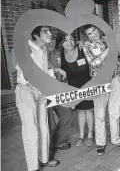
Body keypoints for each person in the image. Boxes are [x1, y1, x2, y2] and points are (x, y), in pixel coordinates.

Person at [10, 26, 64, 171]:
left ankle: (44, 159)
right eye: (45, 31)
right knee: (31, 130)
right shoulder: (23, 48)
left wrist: (56, 70)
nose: (50, 34)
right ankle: (33, 167)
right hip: (26, 90)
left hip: (41, 91)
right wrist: (18, 52)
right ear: (35, 34)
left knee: (44, 126)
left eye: (49, 31)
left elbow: (44, 69)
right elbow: (11, 68)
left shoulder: (44, 49)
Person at [82, 24, 120, 155]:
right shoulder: (87, 46)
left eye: (94, 30)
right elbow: (94, 63)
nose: (94, 34)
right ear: (87, 36)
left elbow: (117, 58)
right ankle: (101, 143)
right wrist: (108, 50)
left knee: (115, 111)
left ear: (98, 28)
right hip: (100, 82)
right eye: (90, 33)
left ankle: (116, 140)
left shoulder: (107, 39)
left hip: (115, 78)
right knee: (100, 114)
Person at [54, 31, 95, 147]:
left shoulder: (82, 49)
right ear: (61, 43)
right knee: (80, 111)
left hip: (88, 85)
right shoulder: (60, 55)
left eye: (71, 39)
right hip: (74, 88)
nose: (69, 42)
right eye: (65, 40)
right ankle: (81, 135)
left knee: (89, 110)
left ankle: (90, 134)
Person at [47, 40, 74, 159]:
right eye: (46, 38)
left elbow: (70, 52)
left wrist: (79, 43)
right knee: (49, 123)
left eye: (52, 39)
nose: (50, 42)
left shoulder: (58, 51)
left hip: (59, 90)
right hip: (44, 92)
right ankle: (46, 151)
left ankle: (56, 141)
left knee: (67, 116)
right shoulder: (38, 54)